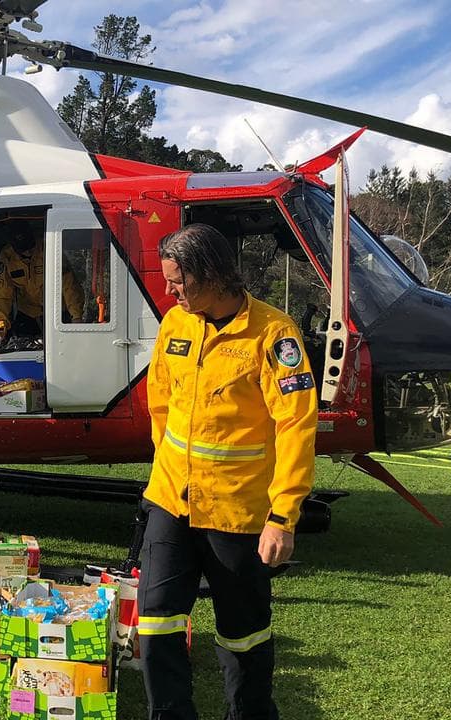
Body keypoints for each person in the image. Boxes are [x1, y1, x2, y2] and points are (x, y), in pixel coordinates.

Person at [139, 224, 318, 719]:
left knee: (244, 638)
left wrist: (282, 517)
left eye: (178, 281)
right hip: (170, 501)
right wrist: (165, 470)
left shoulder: (274, 334)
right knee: (156, 627)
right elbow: (160, 401)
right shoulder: (176, 322)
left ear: (213, 275)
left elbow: (297, 425)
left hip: (238, 516)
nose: (169, 291)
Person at [0, 221, 85, 348]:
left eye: (31, 248)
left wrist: (76, 318)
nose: (28, 253)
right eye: (24, 251)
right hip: (27, 313)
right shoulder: (7, 256)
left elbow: (69, 286)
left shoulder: (50, 248)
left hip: (57, 312)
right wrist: (0, 329)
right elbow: (2, 293)